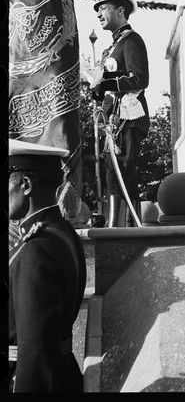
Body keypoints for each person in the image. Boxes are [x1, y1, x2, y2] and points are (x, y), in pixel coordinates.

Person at [8, 139, 87, 393]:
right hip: (62, 373)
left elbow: (35, 352)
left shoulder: (37, 249)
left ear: (26, 185)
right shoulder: (62, 231)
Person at [91, 0, 150, 227]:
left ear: (121, 11)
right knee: (112, 173)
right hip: (112, 121)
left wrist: (105, 84)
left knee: (125, 169)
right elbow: (107, 85)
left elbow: (140, 79)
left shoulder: (131, 40)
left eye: (104, 8)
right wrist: (97, 88)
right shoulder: (111, 48)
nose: (98, 14)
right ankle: (115, 226)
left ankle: (131, 228)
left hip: (128, 117)